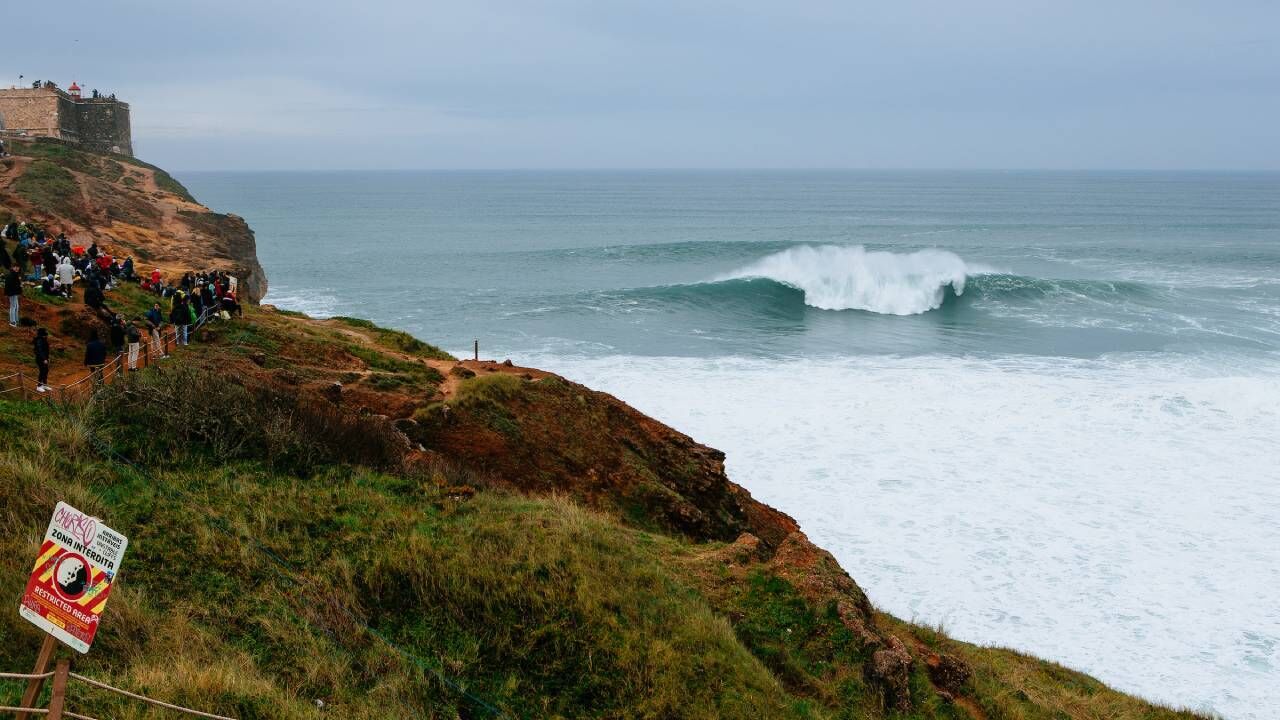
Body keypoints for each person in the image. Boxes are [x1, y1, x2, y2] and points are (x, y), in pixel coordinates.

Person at [33, 328, 51, 393]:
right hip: (40, 359)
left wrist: (47, 358)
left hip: (45, 359)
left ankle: (44, 384)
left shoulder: (43, 339)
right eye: (45, 334)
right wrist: (44, 359)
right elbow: (39, 351)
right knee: (42, 371)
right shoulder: (39, 340)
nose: (46, 336)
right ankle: (39, 386)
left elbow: (46, 350)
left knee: (46, 371)